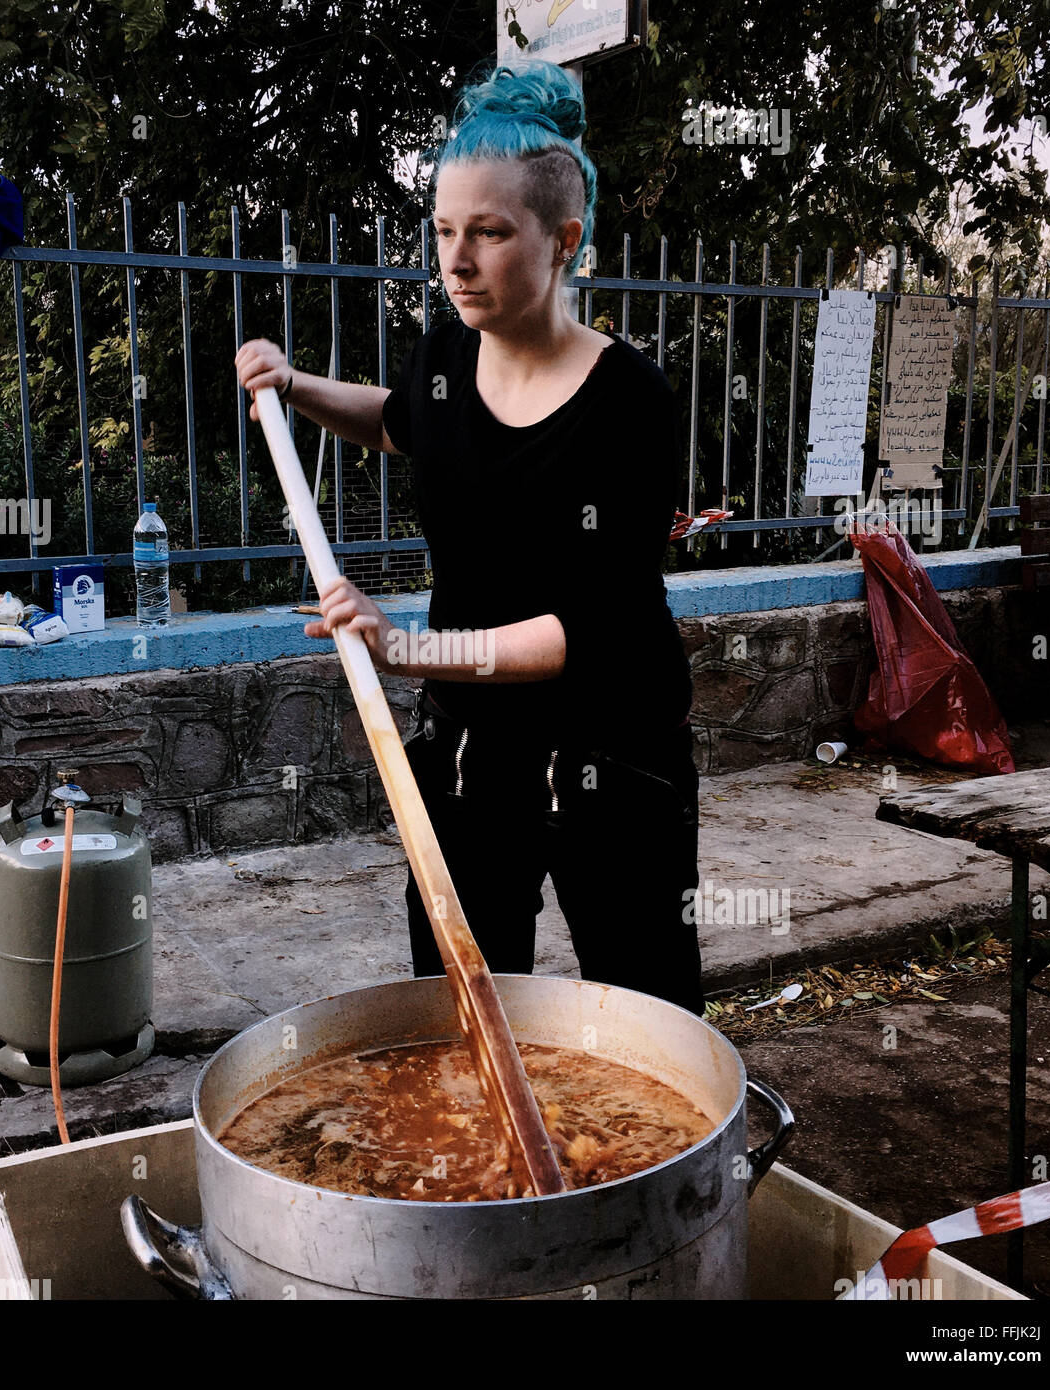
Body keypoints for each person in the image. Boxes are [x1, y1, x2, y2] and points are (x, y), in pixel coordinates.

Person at [235, 59, 704, 1015]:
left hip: (610, 753)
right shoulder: (448, 354)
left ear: (563, 240)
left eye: (489, 234)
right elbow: (402, 419)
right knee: (464, 1009)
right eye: (446, 231)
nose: (456, 260)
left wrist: (407, 648)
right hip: (470, 752)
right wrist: (296, 387)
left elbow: (585, 629)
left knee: (644, 1006)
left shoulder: (630, 403)